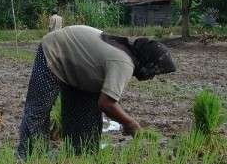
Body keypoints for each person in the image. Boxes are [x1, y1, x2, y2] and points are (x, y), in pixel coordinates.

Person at [17, 25, 176, 157]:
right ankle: (29, 157)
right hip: (54, 50)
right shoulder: (123, 63)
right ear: (147, 63)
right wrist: (131, 123)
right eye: (154, 72)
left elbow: (102, 101)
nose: (153, 77)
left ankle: (80, 155)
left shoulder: (126, 55)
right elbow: (106, 104)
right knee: (39, 110)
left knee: (85, 119)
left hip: (82, 69)